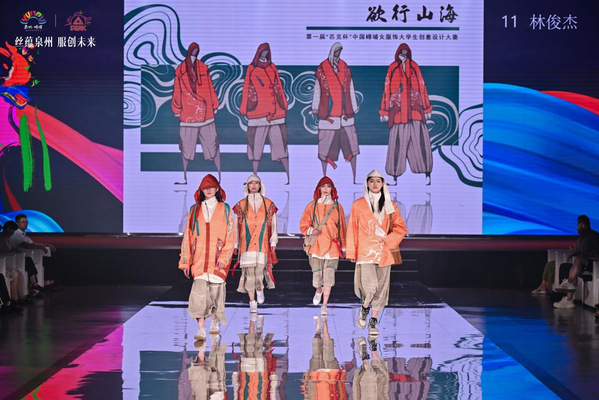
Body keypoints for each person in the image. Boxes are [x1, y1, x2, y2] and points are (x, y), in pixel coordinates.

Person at [346, 170, 407, 336]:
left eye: (378, 181)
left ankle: (373, 320)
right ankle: (365, 307)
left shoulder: (390, 205)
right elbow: (352, 228)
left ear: (382, 184)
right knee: (370, 286)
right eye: (371, 181)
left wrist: (388, 239)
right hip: (365, 251)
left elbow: (401, 227)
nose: (374, 184)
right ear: (367, 183)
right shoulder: (358, 205)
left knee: (381, 288)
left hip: (384, 251)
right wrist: (351, 251)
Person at [178, 174, 236, 341]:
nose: (208, 190)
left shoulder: (225, 209)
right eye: (205, 188)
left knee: (216, 294)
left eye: (211, 187)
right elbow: (188, 236)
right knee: (198, 296)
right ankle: (201, 328)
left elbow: (231, 236)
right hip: (199, 259)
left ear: (217, 189)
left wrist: (224, 258)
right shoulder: (194, 209)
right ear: (201, 190)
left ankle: (215, 322)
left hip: (217, 259)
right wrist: (185, 261)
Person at [379, 43, 433, 185]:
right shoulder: (392, 68)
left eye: (406, 52)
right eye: (402, 52)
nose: (404, 54)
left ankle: (427, 175)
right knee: (397, 145)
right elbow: (386, 90)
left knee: (420, 143)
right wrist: (384, 111)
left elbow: (422, 87)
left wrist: (427, 108)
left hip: (415, 113)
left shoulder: (414, 67)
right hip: (398, 114)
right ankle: (394, 177)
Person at [172, 42, 222, 184]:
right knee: (186, 148)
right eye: (193, 51)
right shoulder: (181, 70)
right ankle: (185, 177)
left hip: (205, 114)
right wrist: (177, 109)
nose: (195, 53)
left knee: (213, 145)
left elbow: (209, 87)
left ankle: (220, 176)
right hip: (189, 115)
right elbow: (177, 91)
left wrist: (214, 104)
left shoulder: (203, 67)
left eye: (197, 51)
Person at [240, 43, 290, 184]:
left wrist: (283, 103)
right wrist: (244, 108)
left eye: (267, 52)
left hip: (276, 113)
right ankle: (254, 178)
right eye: (263, 51)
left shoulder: (272, 67)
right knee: (256, 148)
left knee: (281, 146)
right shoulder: (252, 68)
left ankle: (289, 178)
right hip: (258, 112)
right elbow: (246, 88)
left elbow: (278, 86)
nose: (265, 54)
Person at [312, 42, 360, 183]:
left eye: (340, 51)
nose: (338, 54)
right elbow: (317, 89)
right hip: (329, 115)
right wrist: (315, 107)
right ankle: (323, 177)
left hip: (345, 114)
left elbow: (350, 88)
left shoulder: (344, 68)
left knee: (352, 147)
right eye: (336, 51)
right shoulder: (322, 69)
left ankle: (354, 178)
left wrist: (353, 107)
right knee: (324, 148)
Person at [299, 177, 346, 315]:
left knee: (329, 277)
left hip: (332, 246)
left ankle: (324, 305)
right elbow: (303, 223)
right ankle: (318, 290)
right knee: (317, 277)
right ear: (319, 188)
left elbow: (342, 227)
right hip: (316, 245)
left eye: (328, 186)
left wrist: (344, 247)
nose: (326, 189)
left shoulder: (338, 207)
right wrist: (311, 231)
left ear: (332, 189)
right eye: (323, 186)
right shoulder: (312, 206)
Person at [233, 174, 278, 313]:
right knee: (248, 274)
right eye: (251, 183)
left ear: (260, 185)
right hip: (246, 245)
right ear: (247, 186)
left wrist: (273, 240)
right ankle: (252, 302)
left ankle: (259, 289)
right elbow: (235, 226)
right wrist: (235, 243)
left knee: (259, 272)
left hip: (262, 243)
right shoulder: (240, 205)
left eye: (256, 183)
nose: (253, 185)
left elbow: (274, 224)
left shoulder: (269, 204)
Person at [553, 215, 599, 309]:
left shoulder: (594, 236)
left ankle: (568, 282)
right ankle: (569, 300)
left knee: (578, 260)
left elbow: (596, 251)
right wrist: (573, 253)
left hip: (594, 264)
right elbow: (582, 251)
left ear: (584, 225)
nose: (577, 227)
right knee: (572, 269)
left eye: (579, 225)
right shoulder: (582, 237)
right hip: (585, 262)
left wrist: (589, 255)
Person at [301, 316, 347, 399]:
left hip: (315, 378)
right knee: (328, 351)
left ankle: (319, 330)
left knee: (316, 349)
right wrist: (342, 376)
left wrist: (306, 379)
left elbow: (306, 395)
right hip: (332, 376)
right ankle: (324, 321)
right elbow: (342, 393)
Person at [9, 213, 57, 292]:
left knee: (48, 260)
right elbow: (26, 245)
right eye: (23, 222)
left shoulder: (23, 234)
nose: (25, 224)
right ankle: (36, 284)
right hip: (17, 258)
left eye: (26, 222)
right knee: (30, 260)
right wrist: (41, 247)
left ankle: (49, 282)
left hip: (27, 255)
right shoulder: (16, 234)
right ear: (17, 223)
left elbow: (33, 243)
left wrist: (46, 245)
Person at [0, 221, 30, 304]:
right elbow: (3, 251)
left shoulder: (4, 239)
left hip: (6, 262)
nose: (12, 233)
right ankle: (15, 299)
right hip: (3, 263)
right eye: (12, 231)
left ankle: (22, 297)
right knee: (14, 273)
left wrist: (13, 250)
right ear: (8, 229)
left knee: (19, 272)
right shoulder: (1, 239)